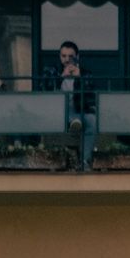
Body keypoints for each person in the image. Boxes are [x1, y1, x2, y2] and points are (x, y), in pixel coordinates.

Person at [38, 42, 97, 171]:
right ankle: (74, 122)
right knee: (70, 115)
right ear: (60, 56)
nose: (67, 59)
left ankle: (85, 161)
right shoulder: (52, 70)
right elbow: (44, 90)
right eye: (64, 56)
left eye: (71, 56)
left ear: (77, 57)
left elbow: (88, 98)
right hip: (57, 112)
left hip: (79, 110)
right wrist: (61, 77)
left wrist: (79, 79)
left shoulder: (85, 73)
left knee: (92, 121)